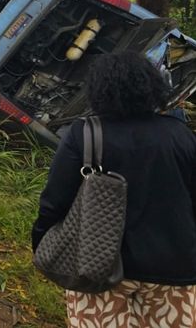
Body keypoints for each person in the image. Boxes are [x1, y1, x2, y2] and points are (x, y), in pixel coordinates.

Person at [32, 52, 196, 326]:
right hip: (175, 267)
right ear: (152, 87)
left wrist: (41, 244)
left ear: (98, 89)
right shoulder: (180, 135)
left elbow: (54, 201)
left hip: (97, 264)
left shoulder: (84, 134)